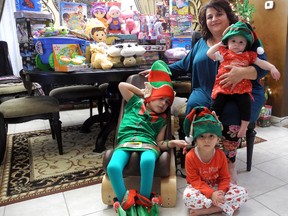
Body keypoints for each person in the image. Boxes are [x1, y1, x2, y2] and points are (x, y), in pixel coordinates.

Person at [140, 0, 269, 184]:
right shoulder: (201, 43)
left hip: (242, 92)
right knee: (195, 107)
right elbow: (182, 65)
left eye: (219, 14)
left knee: (232, 112)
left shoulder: (244, 36)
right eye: (210, 17)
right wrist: (159, 71)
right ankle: (196, 160)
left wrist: (242, 72)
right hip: (207, 91)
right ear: (205, 22)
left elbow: (263, 66)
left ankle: (228, 162)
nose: (214, 19)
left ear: (228, 16)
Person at [107, 60, 189, 214]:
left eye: (167, 101)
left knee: (148, 160)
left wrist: (172, 143)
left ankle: (145, 200)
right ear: (152, 94)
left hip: (148, 143)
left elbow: (159, 142)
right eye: (161, 98)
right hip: (126, 141)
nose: (164, 104)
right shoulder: (135, 102)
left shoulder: (162, 119)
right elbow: (121, 86)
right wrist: (143, 92)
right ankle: (125, 202)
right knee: (113, 167)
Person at [207, 21, 280, 138]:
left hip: (241, 88)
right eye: (233, 41)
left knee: (245, 104)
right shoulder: (223, 53)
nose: (236, 44)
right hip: (223, 87)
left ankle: (244, 127)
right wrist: (221, 43)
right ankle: (214, 123)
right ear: (228, 42)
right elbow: (209, 53)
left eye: (241, 42)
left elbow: (261, 63)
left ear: (246, 44)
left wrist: (272, 67)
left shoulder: (249, 55)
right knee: (216, 104)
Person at [182, 106, 248, 216]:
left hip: (218, 186)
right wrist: (211, 194)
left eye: (211, 136)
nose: (206, 140)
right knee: (188, 197)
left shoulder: (221, 155)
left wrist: (220, 192)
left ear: (218, 138)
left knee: (243, 193)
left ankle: (208, 210)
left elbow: (225, 177)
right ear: (195, 139)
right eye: (201, 136)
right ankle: (224, 206)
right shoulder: (190, 157)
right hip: (200, 188)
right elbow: (194, 181)